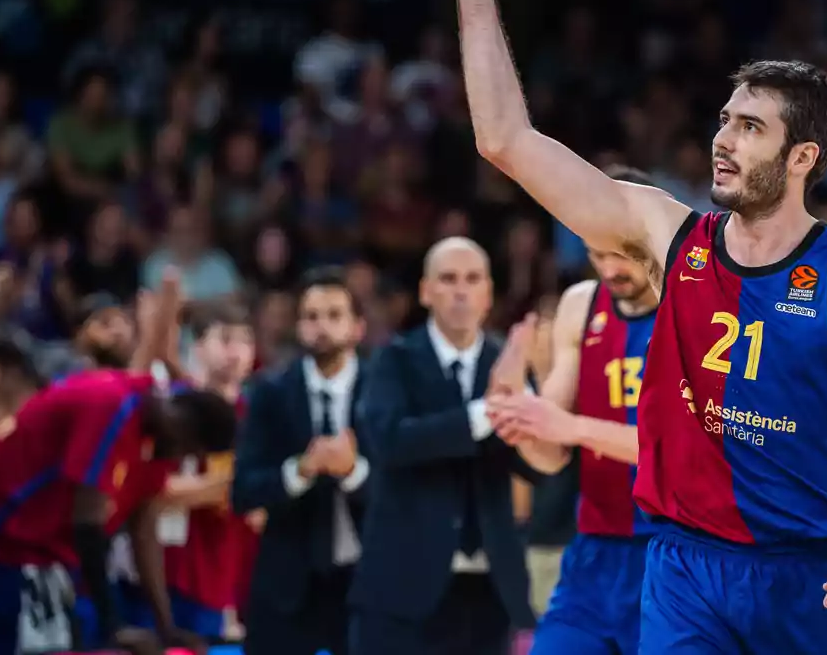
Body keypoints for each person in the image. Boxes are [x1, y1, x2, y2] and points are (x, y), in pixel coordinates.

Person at [454, 0, 827, 653]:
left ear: (803, 158)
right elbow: (505, 141)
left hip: (814, 577)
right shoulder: (668, 234)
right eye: (724, 119)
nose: (723, 139)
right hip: (684, 568)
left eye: (750, 127)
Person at [350, 237, 554, 655]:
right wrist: (485, 414)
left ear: (488, 293)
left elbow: (536, 469)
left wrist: (535, 414)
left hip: (490, 587)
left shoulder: (508, 363)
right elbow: (389, 442)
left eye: (472, 279)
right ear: (425, 291)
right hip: (403, 587)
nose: (461, 290)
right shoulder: (394, 360)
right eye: (448, 279)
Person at [488, 167, 661, 655]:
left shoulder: (689, 304)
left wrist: (569, 425)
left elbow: (676, 448)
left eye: (619, 253)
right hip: (594, 548)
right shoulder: (580, 304)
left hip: (673, 550)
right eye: (594, 253)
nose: (608, 268)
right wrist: (520, 417)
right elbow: (553, 454)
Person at [0, 335, 239, 655]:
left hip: (41, 559)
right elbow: (86, 523)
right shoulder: (115, 404)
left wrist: (166, 626)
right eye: (187, 450)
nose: (178, 459)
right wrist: (113, 625)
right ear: (185, 432)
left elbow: (144, 531)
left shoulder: (155, 442)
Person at [232, 267, 369, 655]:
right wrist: (300, 470)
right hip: (286, 586)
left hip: (368, 583)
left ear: (357, 327)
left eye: (333, 315)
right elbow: (243, 491)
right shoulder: (269, 392)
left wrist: (353, 471)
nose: (321, 327)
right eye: (311, 316)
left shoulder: (385, 389)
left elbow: (407, 490)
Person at [120, 303, 256, 640]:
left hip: (213, 579)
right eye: (225, 339)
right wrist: (226, 486)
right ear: (196, 347)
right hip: (146, 573)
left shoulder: (256, 418)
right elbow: (145, 489)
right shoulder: (168, 408)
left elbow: (252, 505)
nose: (235, 352)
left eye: (244, 341)